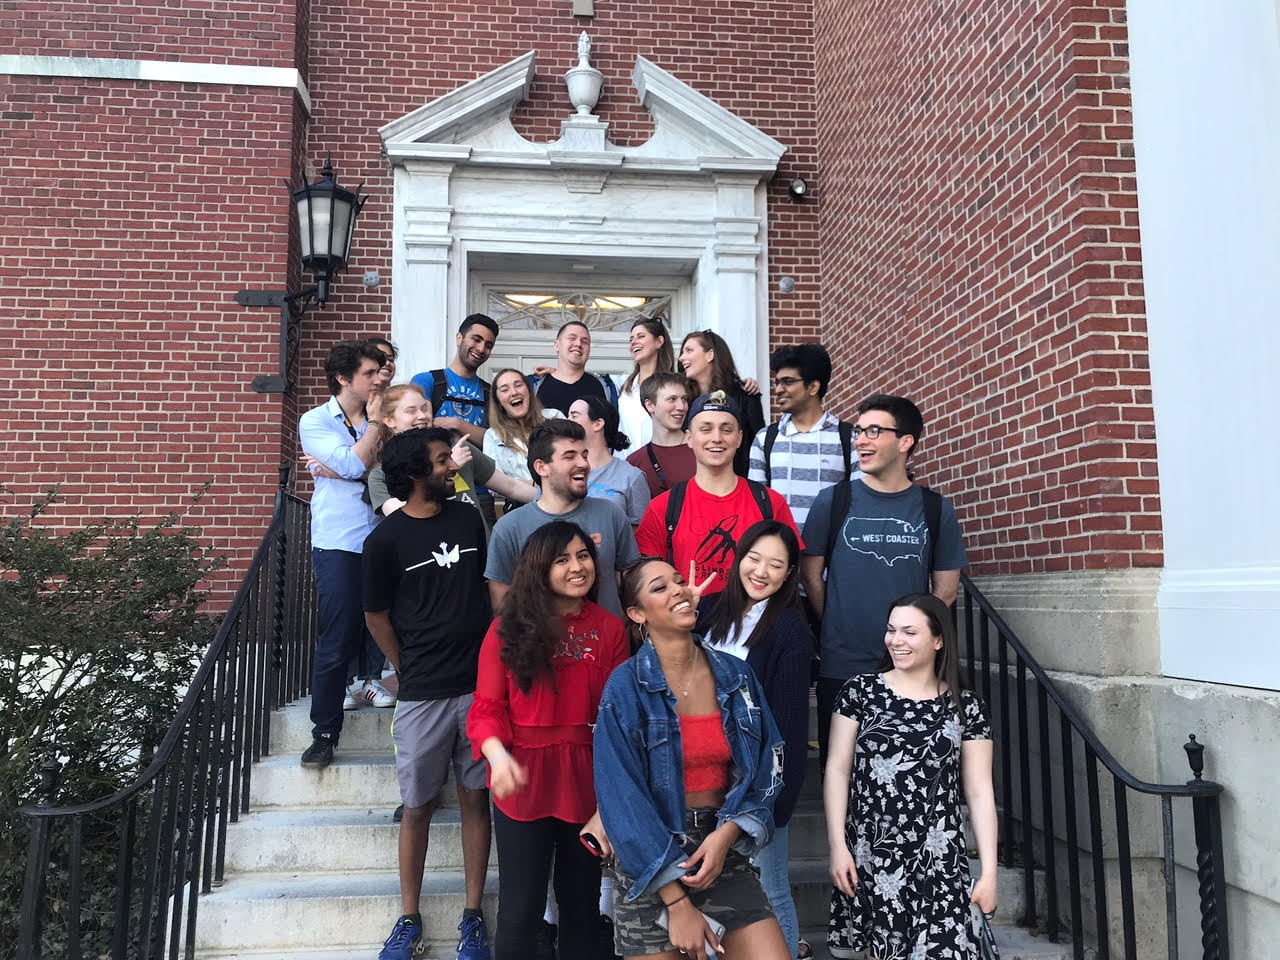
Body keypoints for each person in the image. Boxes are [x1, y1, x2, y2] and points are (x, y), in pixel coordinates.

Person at [593, 557, 790, 960]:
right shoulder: (624, 688)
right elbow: (623, 801)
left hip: (720, 849)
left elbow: (769, 764)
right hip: (650, 860)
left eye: (679, 580)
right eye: (660, 587)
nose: (679, 590)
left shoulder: (736, 675)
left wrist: (728, 834)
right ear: (637, 614)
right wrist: (677, 902)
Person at [468, 521, 629, 960]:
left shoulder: (610, 630)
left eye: (583, 556)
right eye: (562, 560)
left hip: (586, 781)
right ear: (539, 568)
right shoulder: (505, 630)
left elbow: (618, 720)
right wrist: (497, 756)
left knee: (582, 907)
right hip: (522, 777)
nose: (577, 567)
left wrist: (610, 803)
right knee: (519, 911)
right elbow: (486, 708)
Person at [362, 428, 494, 960]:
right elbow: (376, 616)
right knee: (417, 807)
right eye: (442, 461)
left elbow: (487, 589)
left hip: (478, 688)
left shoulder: (468, 519)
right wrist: (406, 667)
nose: (452, 467)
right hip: (422, 695)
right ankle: (408, 918)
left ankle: (472, 917)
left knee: (475, 800)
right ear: (416, 473)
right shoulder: (385, 541)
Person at [824, 594, 997, 960]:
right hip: (874, 853)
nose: (896, 640)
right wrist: (838, 846)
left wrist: (990, 873)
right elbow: (837, 770)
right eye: (891, 630)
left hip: (939, 858)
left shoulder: (966, 706)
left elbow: (980, 791)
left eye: (909, 632)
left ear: (939, 640)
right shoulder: (860, 692)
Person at [800, 395, 968, 770]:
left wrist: (912, 642)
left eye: (874, 431)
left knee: (909, 773)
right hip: (842, 666)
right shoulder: (833, 501)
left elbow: (945, 591)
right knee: (840, 772)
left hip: (911, 670)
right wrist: (837, 623)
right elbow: (810, 575)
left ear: (905, 441)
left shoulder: (935, 509)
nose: (861, 440)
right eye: (859, 431)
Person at [702, 521, 811, 960]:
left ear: (789, 574)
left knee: (768, 887)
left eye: (776, 564)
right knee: (710, 890)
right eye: (754, 558)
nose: (761, 571)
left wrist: (772, 802)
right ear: (739, 558)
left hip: (754, 783)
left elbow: (788, 728)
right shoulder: (707, 608)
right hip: (702, 774)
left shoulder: (789, 631)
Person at [297, 339, 388, 768]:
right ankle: (324, 733)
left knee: (393, 624)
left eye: (380, 372)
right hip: (340, 541)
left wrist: (344, 466)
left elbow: (394, 469)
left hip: (386, 536)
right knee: (338, 637)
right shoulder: (315, 421)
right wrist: (373, 433)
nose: (378, 380)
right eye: (369, 373)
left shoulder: (386, 414)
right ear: (343, 378)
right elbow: (355, 466)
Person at [635, 391, 801, 619]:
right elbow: (648, 581)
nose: (716, 438)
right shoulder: (663, 507)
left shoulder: (770, 503)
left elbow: (791, 572)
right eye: (705, 429)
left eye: (726, 429)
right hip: (688, 626)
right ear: (689, 438)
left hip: (757, 629)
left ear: (739, 438)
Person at [486, 419, 639, 619]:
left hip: (609, 636)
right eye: (570, 456)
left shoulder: (611, 514)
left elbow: (630, 583)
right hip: (541, 638)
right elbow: (502, 607)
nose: (583, 464)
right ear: (542, 467)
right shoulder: (509, 528)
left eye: (585, 455)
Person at [363, 384, 537, 534]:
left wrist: (550, 499)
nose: (422, 415)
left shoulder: (460, 449)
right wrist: (447, 469)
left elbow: (511, 487)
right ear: (389, 420)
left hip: (479, 552)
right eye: (411, 411)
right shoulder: (380, 476)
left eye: (424, 408)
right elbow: (407, 521)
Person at [748, 344, 859, 529]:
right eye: (777, 382)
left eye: (788, 381)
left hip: (831, 546)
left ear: (813, 387)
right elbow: (756, 507)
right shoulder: (765, 439)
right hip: (779, 546)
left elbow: (858, 504)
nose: (778, 389)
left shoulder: (850, 438)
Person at [411, 314, 501, 525]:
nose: (481, 348)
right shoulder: (427, 380)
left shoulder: (490, 393)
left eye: (488, 345)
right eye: (476, 339)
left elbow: (495, 441)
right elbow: (416, 431)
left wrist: (456, 424)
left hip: (479, 491)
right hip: (434, 488)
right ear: (459, 338)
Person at [678, 331, 764, 477]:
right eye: (682, 352)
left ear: (709, 355)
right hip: (693, 481)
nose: (681, 358)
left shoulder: (745, 396)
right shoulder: (683, 400)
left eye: (689, 350)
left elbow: (759, 444)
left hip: (738, 482)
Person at [568, 395, 652, 527]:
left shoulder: (631, 477)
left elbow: (641, 531)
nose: (567, 421)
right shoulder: (560, 469)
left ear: (598, 424)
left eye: (574, 416)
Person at [483, 367, 564, 484]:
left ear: (529, 391)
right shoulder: (492, 436)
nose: (514, 392)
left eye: (518, 385)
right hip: (520, 496)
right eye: (505, 390)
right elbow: (495, 484)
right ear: (498, 401)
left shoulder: (554, 416)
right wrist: (534, 486)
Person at [626, 372, 696, 499]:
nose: (681, 407)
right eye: (672, 399)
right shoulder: (634, 462)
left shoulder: (702, 450)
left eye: (684, 399)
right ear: (650, 405)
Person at [530, 320, 619, 413]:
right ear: (557, 345)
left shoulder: (607, 387)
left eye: (585, 341)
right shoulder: (533, 386)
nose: (578, 344)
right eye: (572, 338)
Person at [617, 318, 676, 456]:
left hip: (660, 463)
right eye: (631, 339)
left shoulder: (674, 386)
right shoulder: (623, 385)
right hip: (625, 463)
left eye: (641, 336)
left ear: (659, 341)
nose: (634, 342)